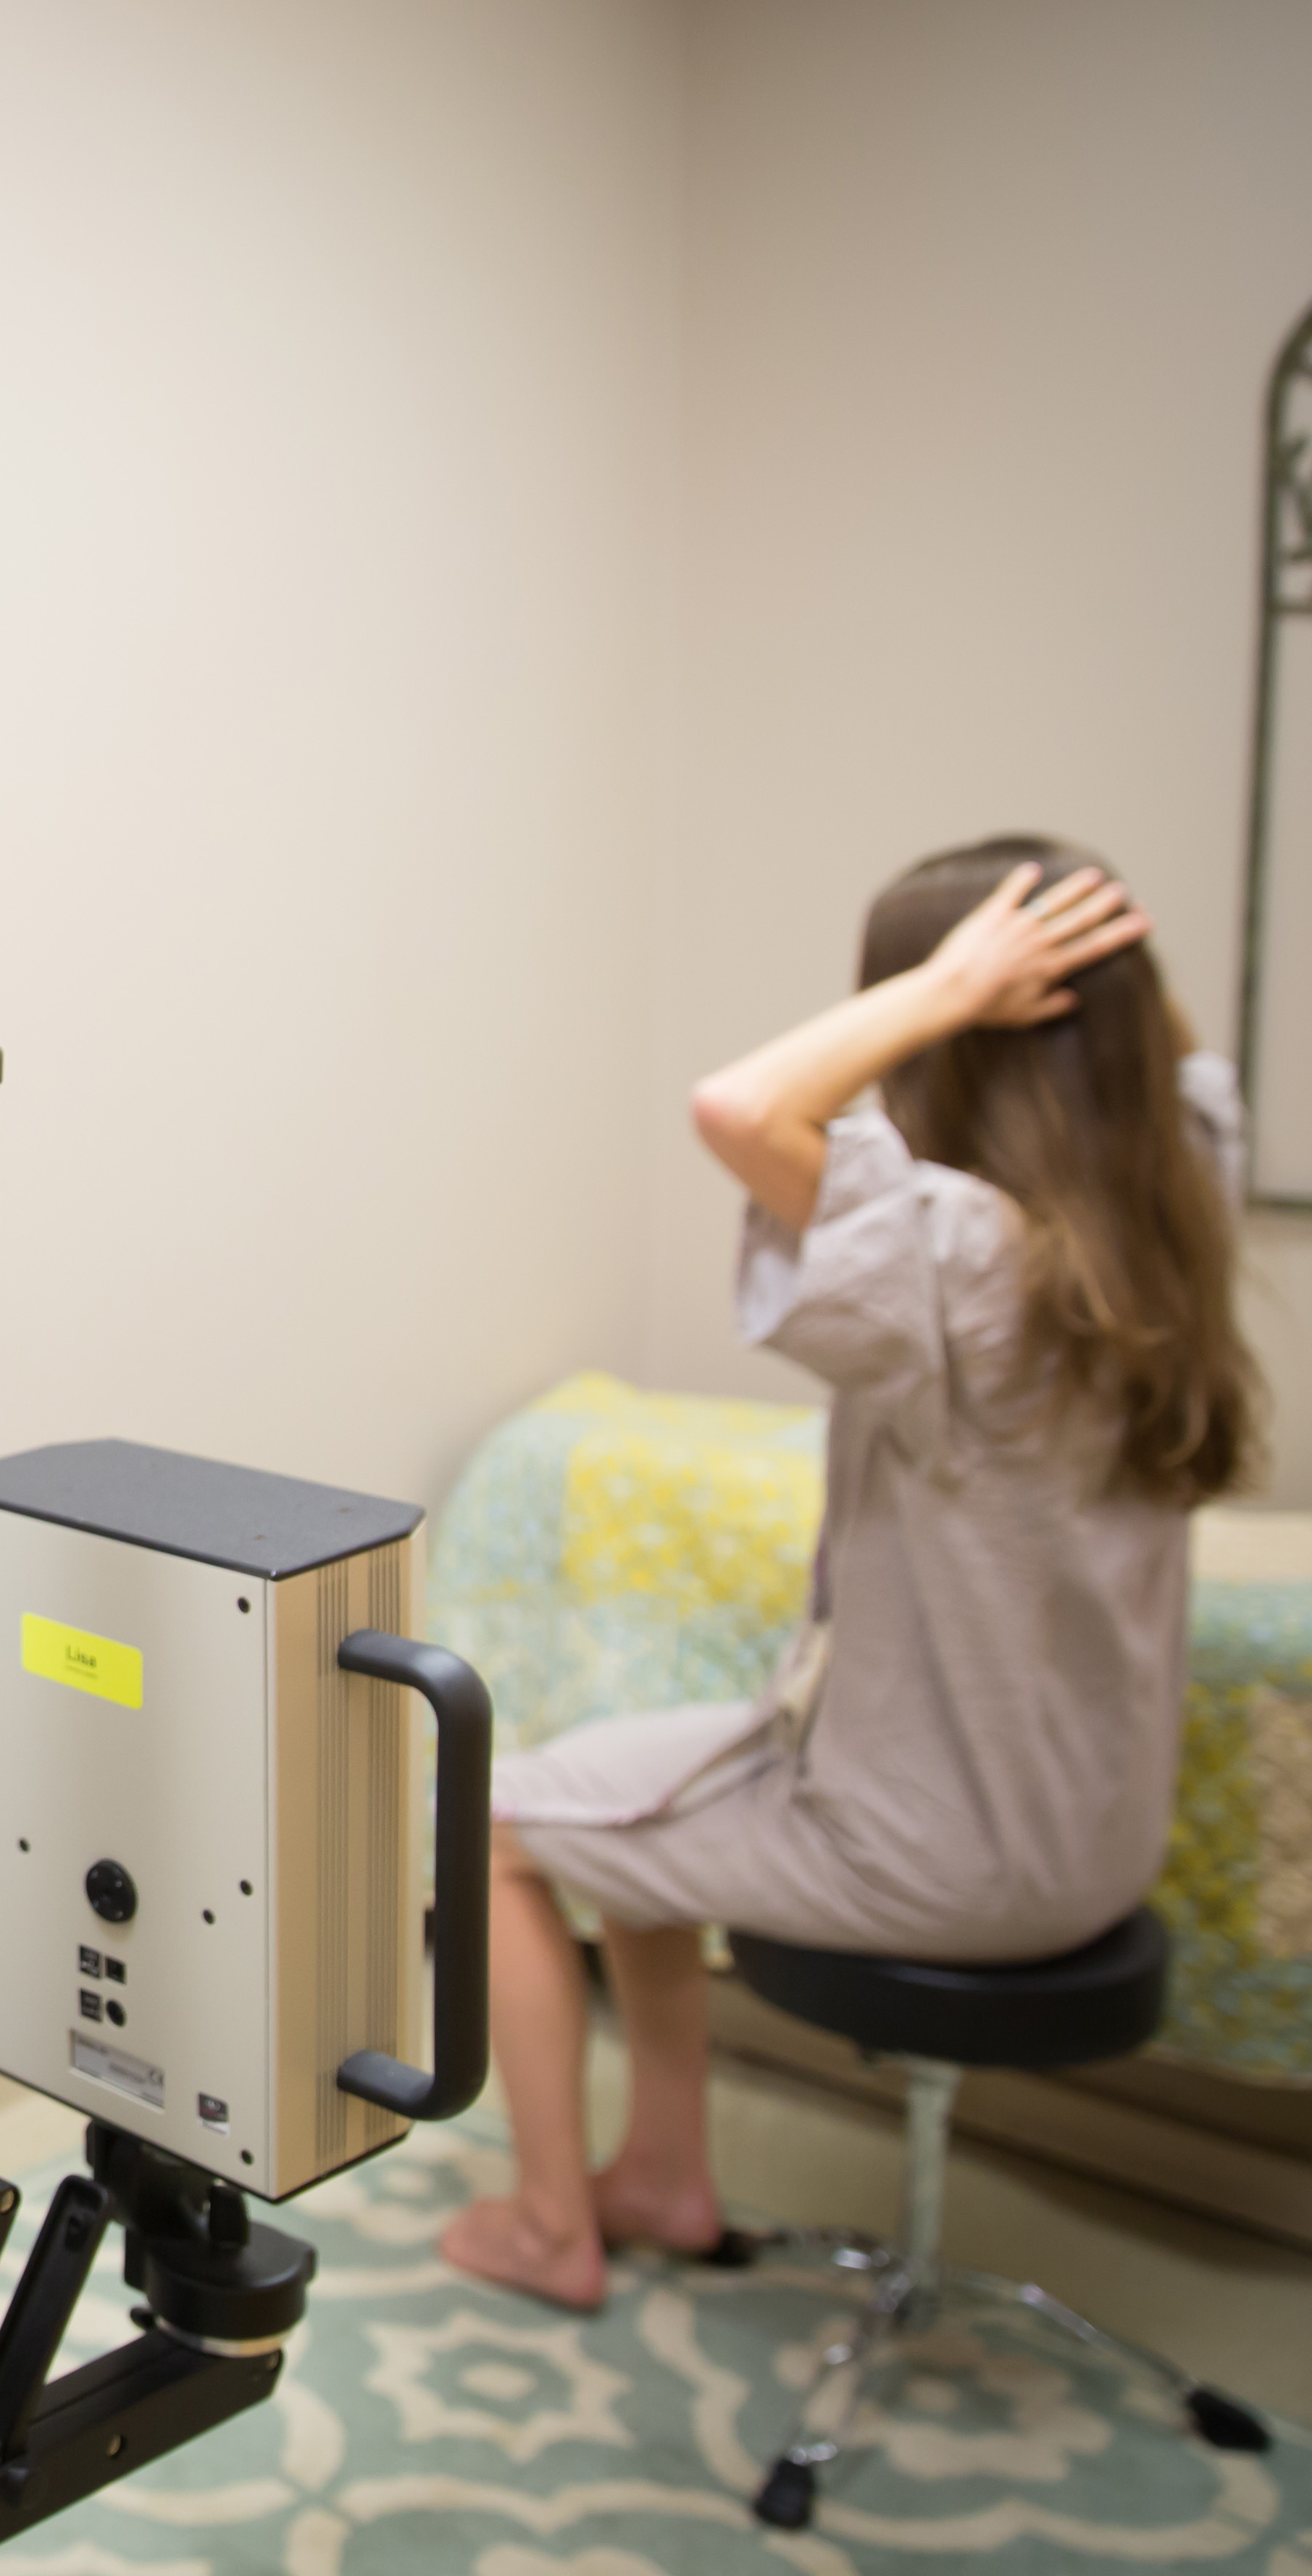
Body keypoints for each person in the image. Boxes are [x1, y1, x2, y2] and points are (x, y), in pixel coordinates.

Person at [439, 838, 1257, 2311]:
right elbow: (1176, 1070)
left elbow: (740, 1106)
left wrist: (945, 983)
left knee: (488, 1822)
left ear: (968, 1029)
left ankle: (549, 2223)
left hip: (943, 1854)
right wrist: (1090, 983)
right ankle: (665, 2174)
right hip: (1093, 1841)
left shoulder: (975, 1263)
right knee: (633, 1787)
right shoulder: (1177, 1202)